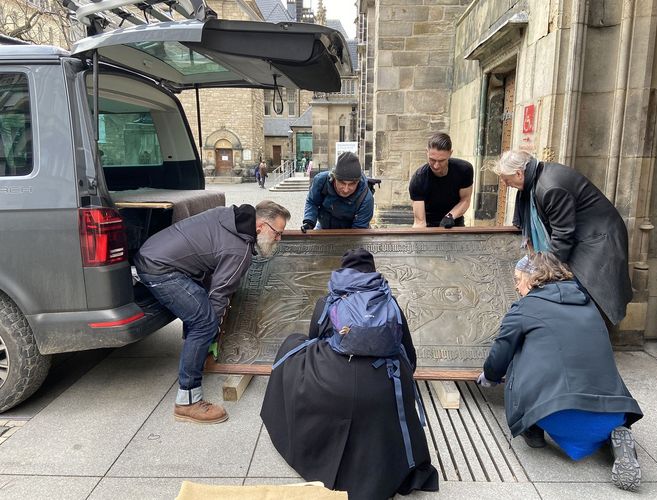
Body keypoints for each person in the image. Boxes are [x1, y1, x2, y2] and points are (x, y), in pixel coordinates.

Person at [261, 249, 439, 500]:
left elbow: (313, 341)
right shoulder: (389, 301)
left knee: (293, 342)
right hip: (383, 383)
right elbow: (409, 354)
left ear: (343, 271)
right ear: (373, 272)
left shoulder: (328, 300)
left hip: (333, 386)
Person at [477, 253, 643, 491]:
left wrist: (490, 376)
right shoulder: (590, 304)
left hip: (555, 412)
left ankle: (533, 429)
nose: (515, 285)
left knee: (519, 351)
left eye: (517, 278)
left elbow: (500, 353)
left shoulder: (526, 306)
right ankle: (617, 436)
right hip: (614, 411)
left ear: (533, 279)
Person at [134, 200, 290, 424]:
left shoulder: (229, 216)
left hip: (152, 252)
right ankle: (188, 401)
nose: (278, 239)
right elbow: (219, 294)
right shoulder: (239, 251)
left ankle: (196, 354)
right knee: (204, 322)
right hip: (161, 270)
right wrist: (213, 333)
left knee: (199, 312)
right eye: (277, 233)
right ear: (261, 226)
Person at [492, 149, 632, 325]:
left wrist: (545, 271)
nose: (506, 184)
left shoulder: (550, 188)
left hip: (599, 239)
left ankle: (593, 340)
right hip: (583, 235)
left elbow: (562, 235)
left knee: (590, 293)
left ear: (519, 173)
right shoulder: (536, 179)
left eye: (506, 179)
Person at [409, 132, 473, 228]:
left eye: (442, 160)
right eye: (432, 160)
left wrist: (450, 216)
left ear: (450, 153)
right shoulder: (419, 179)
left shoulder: (464, 170)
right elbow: (420, 222)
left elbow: (465, 200)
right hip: (428, 225)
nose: (436, 165)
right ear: (427, 152)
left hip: (454, 222)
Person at [301, 152, 374, 231]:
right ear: (334, 178)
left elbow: (359, 230)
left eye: (351, 185)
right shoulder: (321, 181)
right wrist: (309, 222)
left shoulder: (366, 198)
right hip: (324, 226)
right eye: (342, 183)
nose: (346, 190)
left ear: (358, 182)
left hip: (351, 231)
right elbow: (312, 202)